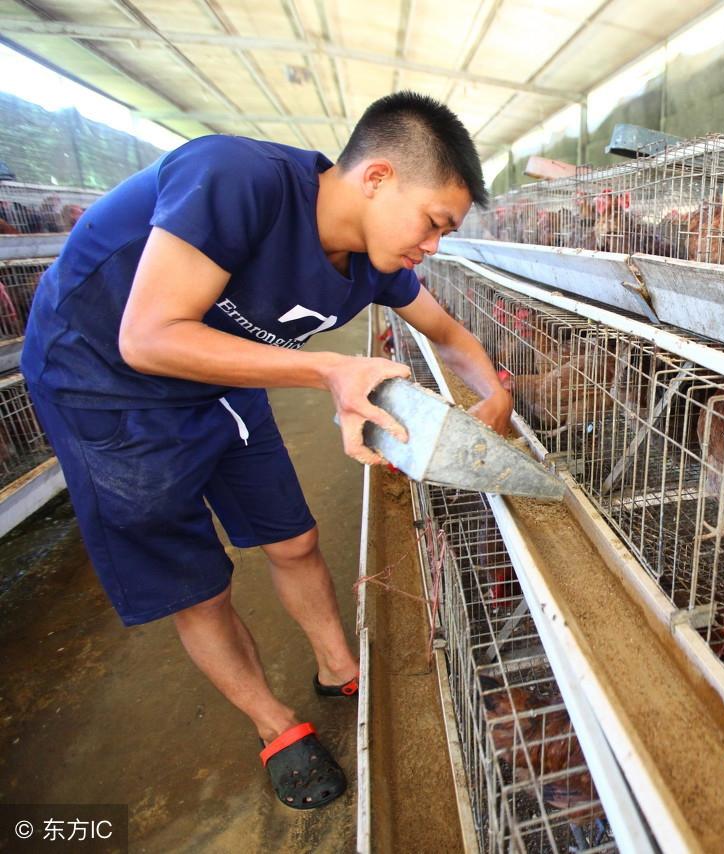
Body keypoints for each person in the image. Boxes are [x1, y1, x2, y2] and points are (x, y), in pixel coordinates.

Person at [20, 91, 511, 810]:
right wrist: (329, 370)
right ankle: (274, 724)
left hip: (219, 373)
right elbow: (147, 337)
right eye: (433, 223)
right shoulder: (236, 177)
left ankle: (338, 665)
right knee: (196, 580)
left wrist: (493, 389)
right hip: (102, 381)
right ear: (377, 178)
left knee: (293, 536)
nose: (434, 245)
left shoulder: (375, 261)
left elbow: (446, 333)